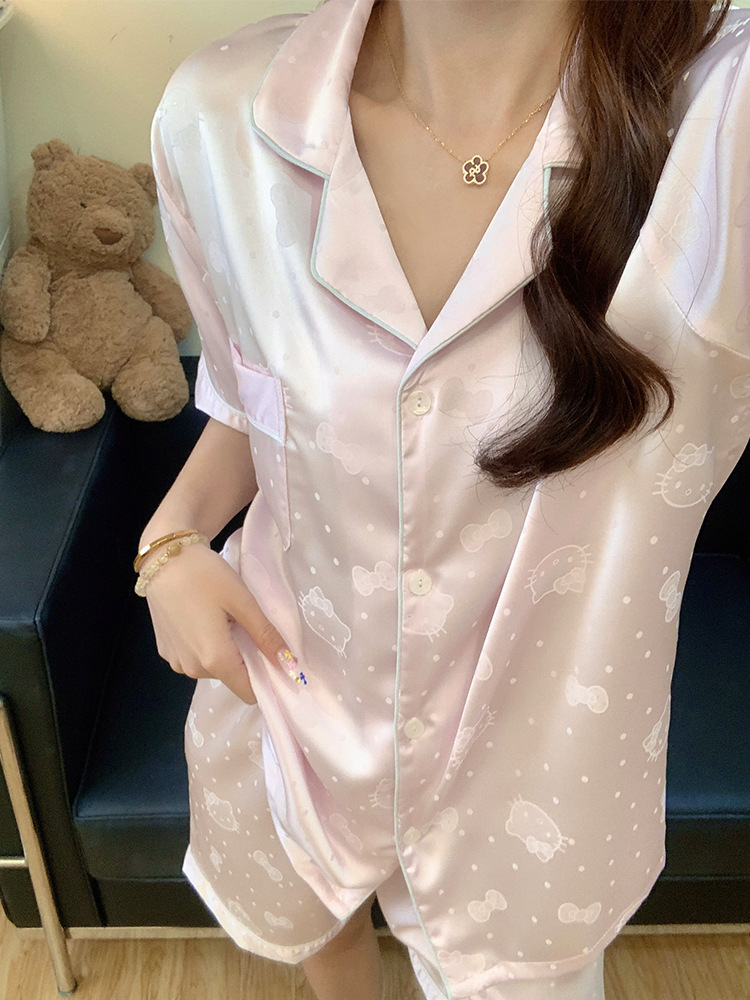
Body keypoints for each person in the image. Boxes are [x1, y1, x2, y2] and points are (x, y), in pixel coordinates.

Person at [139, 1, 748, 998]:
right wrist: (168, 542)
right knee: (319, 927)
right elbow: (259, 404)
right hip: (286, 696)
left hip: (534, 790)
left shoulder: (717, 122)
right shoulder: (217, 119)